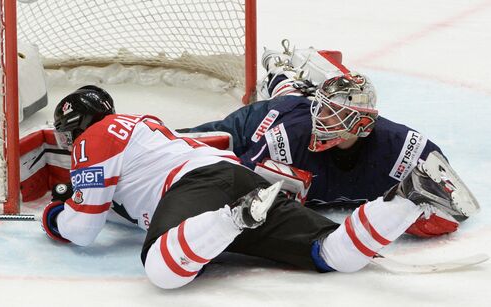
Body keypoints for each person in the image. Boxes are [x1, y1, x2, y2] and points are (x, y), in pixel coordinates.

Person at [40, 85, 474, 289]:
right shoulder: (147, 126)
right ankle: (407, 198)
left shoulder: (93, 140)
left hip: (199, 186)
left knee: (163, 270)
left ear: (76, 126)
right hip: (237, 174)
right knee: (334, 254)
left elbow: (83, 230)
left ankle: (236, 217)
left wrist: (53, 216)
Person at [178, 40, 479, 237]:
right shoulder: (288, 138)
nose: (321, 118)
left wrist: (415, 211)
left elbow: (456, 204)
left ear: (361, 124)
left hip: (294, 110)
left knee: (295, 95)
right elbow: (233, 184)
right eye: (322, 108)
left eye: (334, 114)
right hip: (267, 118)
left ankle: (283, 72)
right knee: (196, 144)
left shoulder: (399, 146)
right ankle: (279, 72)